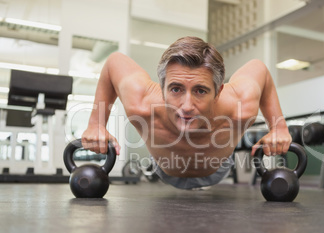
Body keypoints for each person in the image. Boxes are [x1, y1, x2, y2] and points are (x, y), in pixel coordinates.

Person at [81, 36, 292, 189]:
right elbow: (113, 63)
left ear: (218, 91)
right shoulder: (141, 102)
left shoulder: (240, 106)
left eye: (200, 90)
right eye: (176, 89)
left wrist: (279, 127)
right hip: (164, 169)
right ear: (162, 89)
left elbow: (260, 70)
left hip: (217, 171)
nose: (187, 105)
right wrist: (96, 124)